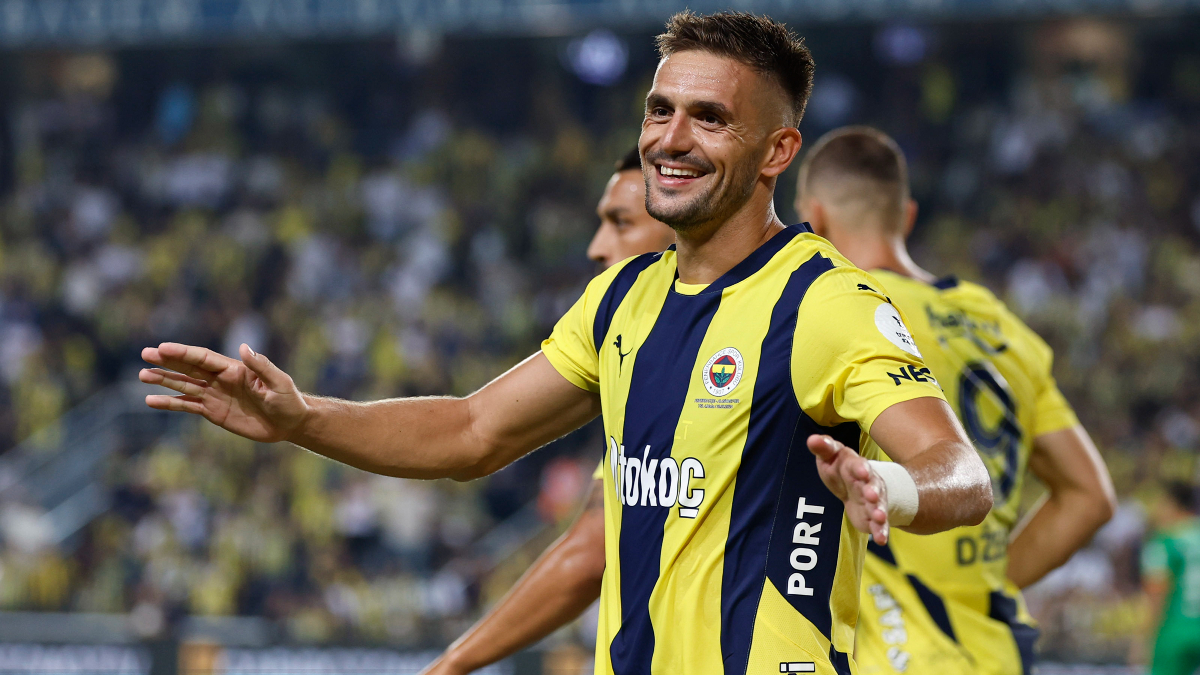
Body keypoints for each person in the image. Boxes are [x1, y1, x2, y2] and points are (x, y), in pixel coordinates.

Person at [139, 12, 993, 675]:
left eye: (710, 118)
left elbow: (962, 472)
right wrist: (303, 419)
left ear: (778, 150)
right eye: (660, 110)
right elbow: (473, 430)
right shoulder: (623, 297)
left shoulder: (825, 301)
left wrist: (886, 484)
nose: (671, 139)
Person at [793, 126, 1116, 675]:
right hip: (997, 648)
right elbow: (1090, 496)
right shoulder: (1000, 324)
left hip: (898, 655)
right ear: (907, 217)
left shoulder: (842, 313)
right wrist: (981, 588)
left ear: (815, 220)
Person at [421, 148, 674, 675]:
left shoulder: (790, 328)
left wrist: (452, 663)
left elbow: (586, 555)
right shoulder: (646, 365)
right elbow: (474, 429)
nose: (597, 247)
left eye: (621, 223)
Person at [1137, 481, 1200, 675]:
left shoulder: (1164, 540)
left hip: (1175, 629)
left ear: (1172, 504)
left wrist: (1144, 639)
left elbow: (1157, 590)